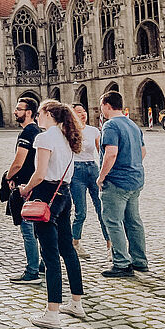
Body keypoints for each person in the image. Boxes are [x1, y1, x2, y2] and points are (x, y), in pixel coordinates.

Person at [18, 100, 85, 329]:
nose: (37, 116)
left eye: (39, 113)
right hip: (64, 193)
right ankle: (76, 302)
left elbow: (40, 173)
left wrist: (25, 189)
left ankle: (52, 312)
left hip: (47, 193)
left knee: (50, 254)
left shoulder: (44, 137)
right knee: (67, 248)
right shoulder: (66, 136)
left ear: (48, 113)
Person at [96, 91, 149, 278]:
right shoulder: (132, 124)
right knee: (133, 221)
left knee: (113, 221)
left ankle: (121, 263)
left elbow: (111, 153)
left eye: (101, 106)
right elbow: (143, 152)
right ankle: (140, 261)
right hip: (135, 180)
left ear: (106, 105)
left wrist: (101, 177)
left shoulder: (110, 126)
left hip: (116, 181)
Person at [5, 97, 43, 285]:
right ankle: (42, 264)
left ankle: (32, 271)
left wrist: (8, 176)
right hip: (35, 185)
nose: (15, 112)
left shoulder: (27, 132)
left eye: (19, 109)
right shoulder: (37, 131)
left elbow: (19, 161)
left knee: (28, 230)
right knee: (37, 228)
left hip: (25, 186)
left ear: (29, 112)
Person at [69, 103, 105, 259]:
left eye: (84, 111)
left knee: (102, 209)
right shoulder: (68, 131)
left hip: (92, 169)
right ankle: (75, 244)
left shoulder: (93, 130)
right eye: (78, 112)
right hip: (76, 171)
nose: (83, 114)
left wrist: (104, 172)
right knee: (81, 212)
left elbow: (101, 152)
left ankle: (111, 246)